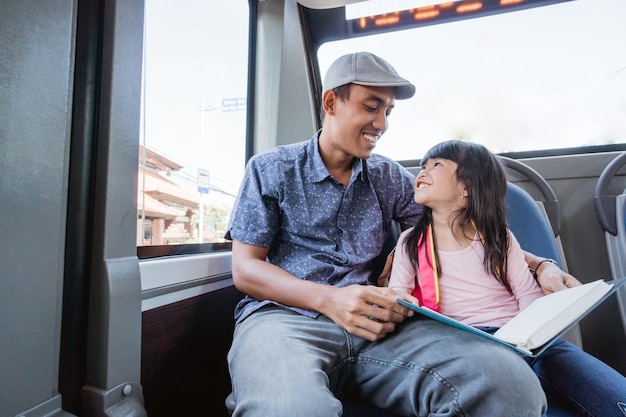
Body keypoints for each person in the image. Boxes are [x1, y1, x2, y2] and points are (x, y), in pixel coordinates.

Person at [224, 51, 572, 416]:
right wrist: (330, 300)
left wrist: (541, 266)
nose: (382, 123)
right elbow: (246, 269)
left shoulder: (386, 177)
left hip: (381, 329)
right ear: (331, 102)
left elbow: (457, 232)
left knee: (510, 386)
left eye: (388, 112)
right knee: (290, 409)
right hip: (285, 321)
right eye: (372, 107)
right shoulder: (271, 169)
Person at [388, 139, 626, 417]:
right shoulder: (410, 243)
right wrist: (400, 305)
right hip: (462, 345)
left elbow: (526, 294)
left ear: (467, 187)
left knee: (615, 397)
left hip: (522, 339)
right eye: (423, 166)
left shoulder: (499, 237)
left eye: (437, 165)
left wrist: (534, 336)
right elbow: (398, 294)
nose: (423, 172)